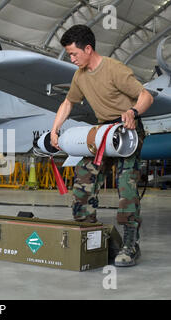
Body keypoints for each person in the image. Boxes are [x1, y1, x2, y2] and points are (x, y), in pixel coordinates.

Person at [50, 25, 154, 267]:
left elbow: (146, 96)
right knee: (84, 180)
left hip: (128, 131)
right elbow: (68, 103)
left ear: (88, 49)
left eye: (74, 54)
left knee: (126, 186)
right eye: (69, 55)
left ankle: (130, 244)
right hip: (102, 134)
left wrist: (133, 111)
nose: (72, 59)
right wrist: (55, 129)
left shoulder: (114, 69)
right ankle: (90, 237)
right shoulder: (79, 75)